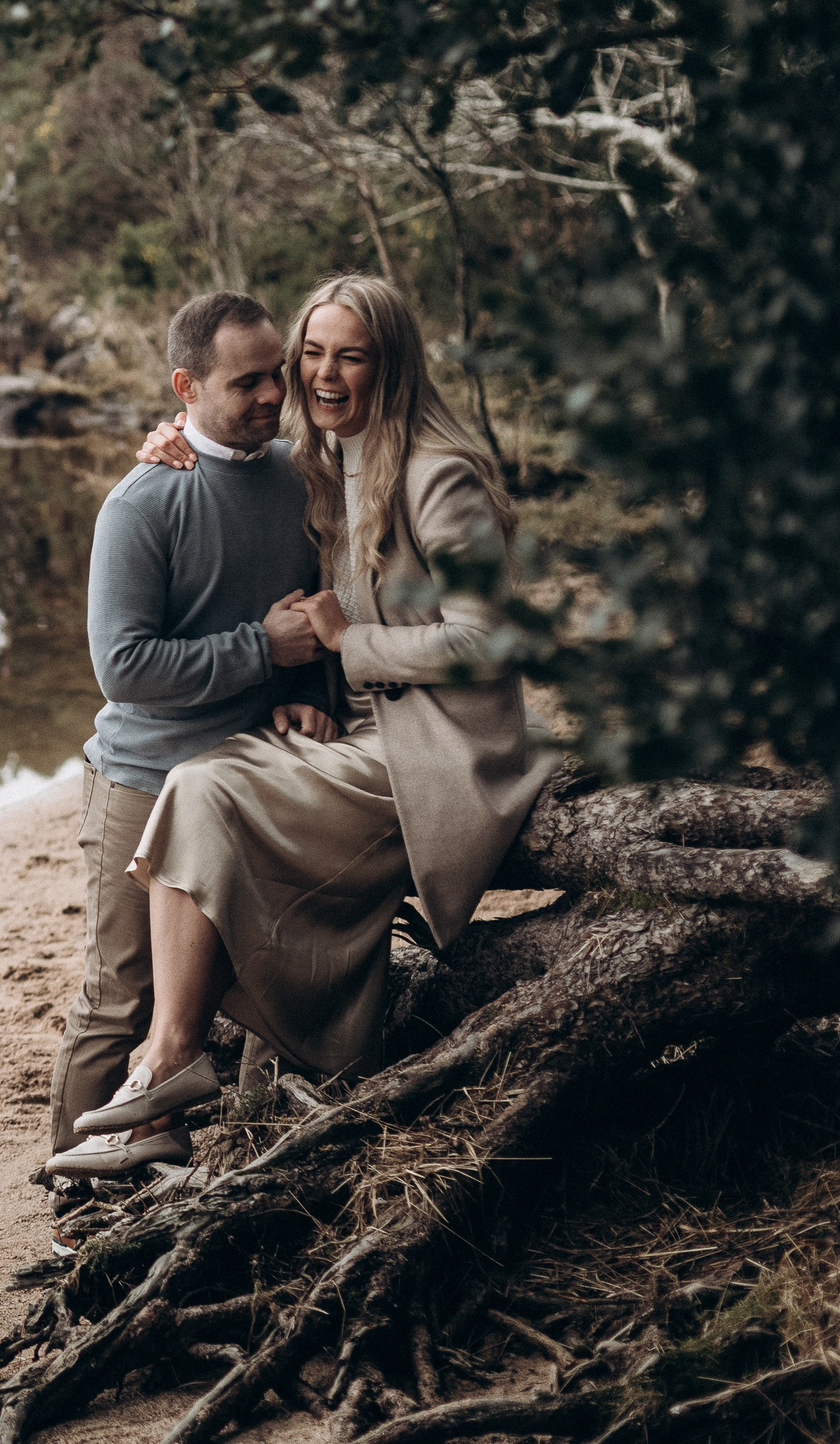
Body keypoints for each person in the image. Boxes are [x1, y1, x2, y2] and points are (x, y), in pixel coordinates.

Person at [66, 273, 560, 1151]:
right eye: (309, 358)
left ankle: (180, 1056)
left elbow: (479, 639)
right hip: (257, 748)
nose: (313, 380)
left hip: (432, 747)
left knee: (208, 794)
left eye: (349, 357)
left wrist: (334, 657)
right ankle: (119, 1134)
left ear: (391, 364)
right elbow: (144, 649)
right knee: (136, 947)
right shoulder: (306, 468)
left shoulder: (415, 474)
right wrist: (177, 440)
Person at [45, 290, 334, 1206]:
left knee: (242, 994)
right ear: (186, 386)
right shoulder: (142, 501)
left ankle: (189, 1187)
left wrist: (303, 693)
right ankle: (73, 1198)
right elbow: (121, 667)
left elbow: (319, 609)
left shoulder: (299, 476)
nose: (271, 395)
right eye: (245, 381)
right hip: (143, 778)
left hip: (250, 779)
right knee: (120, 1001)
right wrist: (261, 647)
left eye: (276, 374)